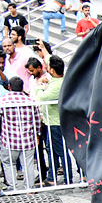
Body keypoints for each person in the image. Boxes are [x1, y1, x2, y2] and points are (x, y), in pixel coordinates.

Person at [0, 76, 41, 189]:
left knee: (9, 164)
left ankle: (13, 187)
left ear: (9, 87)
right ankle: (29, 188)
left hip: (9, 140)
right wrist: (37, 134)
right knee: (28, 164)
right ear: (22, 87)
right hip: (27, 139)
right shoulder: (31, 101)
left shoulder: (2, 101)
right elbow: (37, 120)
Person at [35, 53, 72, 184]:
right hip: (51, 122)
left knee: (60, 151)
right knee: (53, 151)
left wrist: (39, 86)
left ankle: (67, 178)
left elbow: (41, 98)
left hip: (56, 123)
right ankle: (52, 178)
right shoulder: (57, 82)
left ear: (52, 70)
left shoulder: (57, 84)